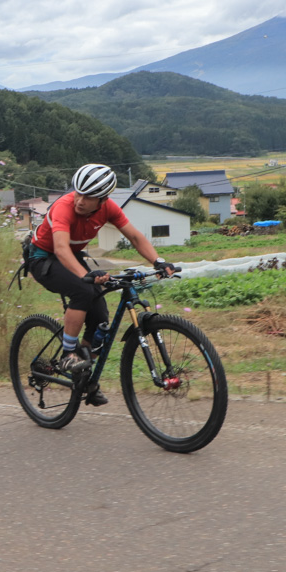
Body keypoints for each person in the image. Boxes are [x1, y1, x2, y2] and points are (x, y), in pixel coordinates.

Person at [28, 163, 176, 405]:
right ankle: (68, 354)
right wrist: (85, 276)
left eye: (89, 197)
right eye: (78, 192)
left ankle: (83, 375)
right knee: (83, 291)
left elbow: (135, 236)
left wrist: (158, 261)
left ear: (102, 200)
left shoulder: (109, 209)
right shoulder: (64, 207)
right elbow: (61, 249)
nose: (80, 200)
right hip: (43, 257)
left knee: (100, 314)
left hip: (71, 257)